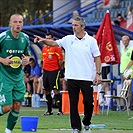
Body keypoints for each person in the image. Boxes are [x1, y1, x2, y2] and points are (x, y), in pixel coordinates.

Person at [34, 16, 101, 133]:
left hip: (86, 77)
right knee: (73, 103)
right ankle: (75, 127)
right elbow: (54, 43)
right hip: (71, 77)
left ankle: (86, 123)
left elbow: (97, 57)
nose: (73, 27)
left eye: (76, 25)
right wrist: (42, 40)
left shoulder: (91, 41)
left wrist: (98, 74)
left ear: (83, 26)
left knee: (88, 102)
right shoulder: (68, 39)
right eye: (73, 25)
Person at [0, 14, 30, 133]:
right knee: (7, 107)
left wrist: (27, 59)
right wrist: (3, 60)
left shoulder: (25, 38)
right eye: (15, 22)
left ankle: (8, 131)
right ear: (10, 23)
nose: (18, 24)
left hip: (18, 77)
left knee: (17, 105)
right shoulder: (3, 37)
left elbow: (26, 54)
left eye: (20, 22)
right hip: (4, 76)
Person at [42, 32, 63, 116]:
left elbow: (61, 59)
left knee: (56, 90)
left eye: (49, 38)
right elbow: (44, 60)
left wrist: (58, 68)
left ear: (53, 39)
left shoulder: (56, 48)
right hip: (46, 71)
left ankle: (60, 110)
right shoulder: (44, 48)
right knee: (46, 90)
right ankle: (49, 110)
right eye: (46, 38)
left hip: (54, 71)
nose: (48, 40)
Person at [120, 35, 133, 110]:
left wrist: (127, 69)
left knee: (129, 89)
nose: (124, 42)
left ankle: (129, 106)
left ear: (128, 41)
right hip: (122, 72)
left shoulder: (131, 49)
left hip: (129, 72)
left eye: (126, 41)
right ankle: (125, 106)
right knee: (124, 89)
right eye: (123, 41)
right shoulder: (122, 50)